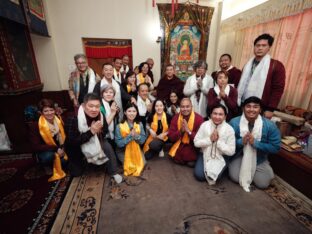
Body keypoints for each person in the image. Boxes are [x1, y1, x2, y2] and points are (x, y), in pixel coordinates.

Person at [64, 93, 122, 183]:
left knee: (107, 146)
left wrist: (98, 132)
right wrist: (91, 132)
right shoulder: (72, 117)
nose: (94, 110)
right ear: (83, 106)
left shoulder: (101, 115)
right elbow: (72, 142)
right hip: (76, 146)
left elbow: (105, 131)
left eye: (97, 106)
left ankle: (114, 171)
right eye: (91, 106)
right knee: (76, 172)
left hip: (96, 140)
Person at [228, 96, 281, 192]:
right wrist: (241, 142)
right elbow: (227, 143)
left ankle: (257, 171)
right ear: (243, 108)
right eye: (248, 106)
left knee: (263, 184)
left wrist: (256, 144)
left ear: (260, 110)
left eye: (255, 107)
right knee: (236, 178)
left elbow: (276, 147)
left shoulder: (270, 126)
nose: (251, 109)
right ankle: (240, 168)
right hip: (239, 155)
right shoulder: (234, 122)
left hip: (259, 158)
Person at [237, 33, 286, 119]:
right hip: (243, 103)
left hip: (262, 107)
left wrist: (270, 109)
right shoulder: (247, 65)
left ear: (269, 47)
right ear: (254, 47)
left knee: (257, 130)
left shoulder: (276, 65)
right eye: (257, 45)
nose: (260, 48)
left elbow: (278, 89)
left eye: (264, 45)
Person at [194, 104, 236, 185]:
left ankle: (224, 168)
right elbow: (196, 142)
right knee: (199, 176)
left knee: (214, 177)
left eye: (220, 114)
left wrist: (218, 142)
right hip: (204, 153)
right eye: (215, 113)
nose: (217, 117)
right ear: (210, 114)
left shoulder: (229, 129)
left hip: (221, 156)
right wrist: (210, 140)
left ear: (225, 116)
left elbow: (231, 151)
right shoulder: (204, 125)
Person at [29, 99, 67, 180]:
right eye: (46, 111)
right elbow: (36, 146)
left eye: (51, 110)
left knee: (65, 162)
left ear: (54, 110)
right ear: (41, 113)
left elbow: (65, 136)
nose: (49, 113)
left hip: (60, 148)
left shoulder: (59, 120)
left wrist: (63, 147)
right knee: (48, 156)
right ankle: (46, 165)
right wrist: (56, 149)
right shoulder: (35, 125)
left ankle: (56, 163)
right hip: (47, 150)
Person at [168, 98, 204, 167]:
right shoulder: (176, 117)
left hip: (192, 146)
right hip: (179, 145)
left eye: (187, 106)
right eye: (183, 107)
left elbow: (200, 138)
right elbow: (171, 137)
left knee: (191, 163)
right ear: (180, 107)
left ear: (191, 107)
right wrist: (180, 131)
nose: (185, 109)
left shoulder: (199, 119)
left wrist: (188, 131)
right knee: (176, 159)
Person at [115, 103, 147, 176]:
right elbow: (119, 144)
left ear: (137, 113)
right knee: (130, 167)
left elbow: (142, 141)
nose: (132, 113)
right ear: (125, 112)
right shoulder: (119, 126)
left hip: (136, 148)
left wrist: (136, 136)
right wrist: (130, 136)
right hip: (123, 150)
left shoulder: (140, 124)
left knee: (142, 164)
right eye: (129, 111)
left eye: (134, 111)